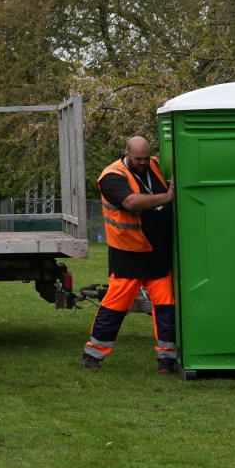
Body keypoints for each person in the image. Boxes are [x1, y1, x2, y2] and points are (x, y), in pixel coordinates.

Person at [83, 136, 177, 373]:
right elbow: (131, 202)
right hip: (129, 256)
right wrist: (166, 198)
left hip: (158, 255)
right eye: (138, 159)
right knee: (115, 307)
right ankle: (93, 356)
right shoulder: (111, 176)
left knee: (166, 308)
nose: (144, 163)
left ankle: (167, 361)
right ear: (126, 154)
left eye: (146, 158)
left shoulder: (154, 164)